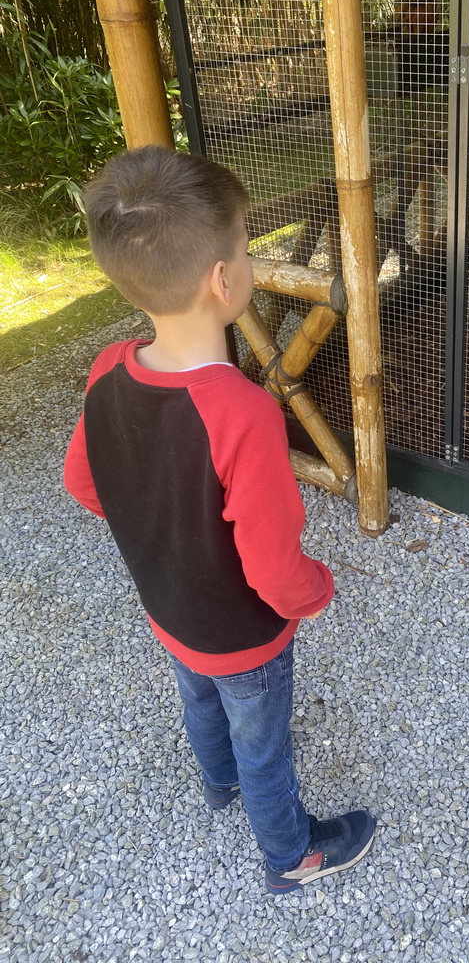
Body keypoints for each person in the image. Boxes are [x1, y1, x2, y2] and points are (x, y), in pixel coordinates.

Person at [63, 145, 375, 894]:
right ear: (224, 280)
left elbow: (84, 483)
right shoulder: (243, 412)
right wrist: (315, 591)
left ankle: (216, 785)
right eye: (244, 244)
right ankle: (290, 856)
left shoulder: (108, 367)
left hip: (168, 610)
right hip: (244, 633)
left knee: (198, 695)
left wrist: (161, 528)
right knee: (263, 741)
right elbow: (272, 569)